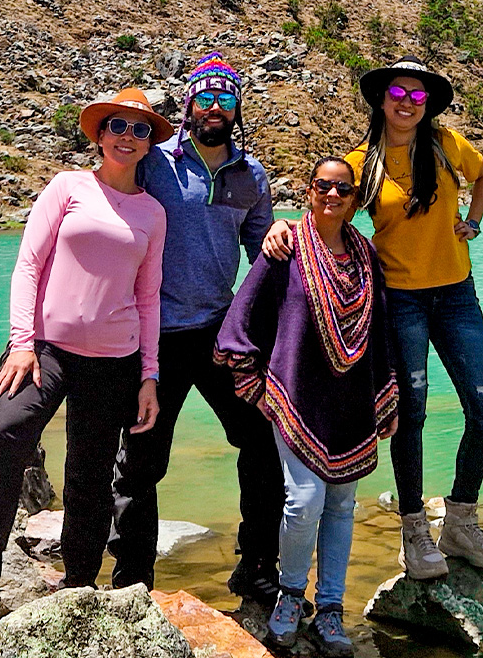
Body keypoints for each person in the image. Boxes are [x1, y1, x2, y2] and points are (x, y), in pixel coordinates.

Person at [0, 88, 167, 632]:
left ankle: (78, 584)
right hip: (46, 352)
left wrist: (149, 375)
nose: (127, 137)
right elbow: (28, 266)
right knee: (3, 434)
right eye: (117, 126)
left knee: (89, 474)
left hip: (116, 360)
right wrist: (21, 342)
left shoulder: (153, 213)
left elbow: (149, 295)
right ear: (99, 133)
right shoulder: (68, 186)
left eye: (140, 129)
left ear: (150, 143)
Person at [262, 57, 483, 580]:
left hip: (457, 295)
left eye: (418, 96)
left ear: (428, 105)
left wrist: (474, 221)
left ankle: (461, 519)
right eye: (399, 92)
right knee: (410, 414)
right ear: (381, 99)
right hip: (400, 301)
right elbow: (329, 207)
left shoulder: (447, 144)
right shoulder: (362, 161)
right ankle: (414, 528)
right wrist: (283, 228)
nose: (407, 102)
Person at [111, 53, 283, 606]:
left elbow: (262, 257)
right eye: (205, 96)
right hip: (152, 334)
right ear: (188, 103)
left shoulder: (250, 174)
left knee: (259, 442)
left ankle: (256, 565)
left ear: (236, 108)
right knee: (141, 456)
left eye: (225, 97)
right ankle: (132, 580)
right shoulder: (154, 162)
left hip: (217, 330)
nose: (214, 106)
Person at [217, 157, 397, 657]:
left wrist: (388, 395)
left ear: (355, 199)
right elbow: (242, 315)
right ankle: (291, 595)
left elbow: (380, 332)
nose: (332, 195)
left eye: (343, 189)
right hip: (297, 395)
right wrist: (253, 379)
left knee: (341, 505)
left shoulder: (365, 256)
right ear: (309, 190)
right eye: (323, 186)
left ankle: (332, 607)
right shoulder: (285, 247)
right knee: (303, 501)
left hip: (352, 401)